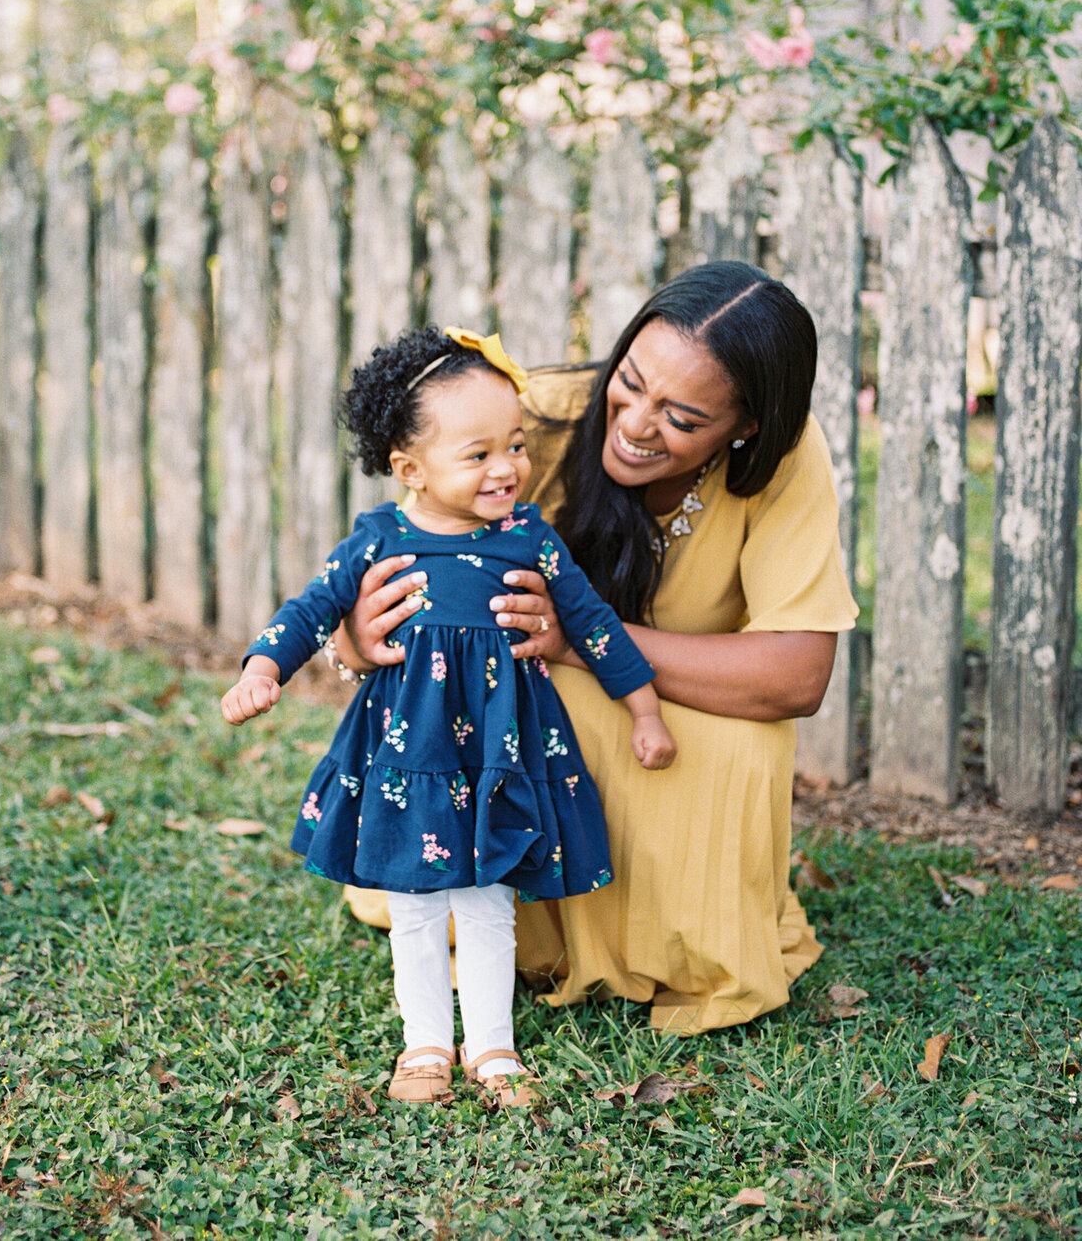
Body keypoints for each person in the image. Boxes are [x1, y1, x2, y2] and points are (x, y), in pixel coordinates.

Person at [332, 263, 858, 1035]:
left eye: (681, 417)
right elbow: (397, 559)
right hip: (505, 707)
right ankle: (532, 931)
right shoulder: (525, 423)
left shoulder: (782, 456)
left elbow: (797, 676)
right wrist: (357, 638)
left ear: (745, 426)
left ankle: (681, 947)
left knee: (748, 745)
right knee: (521, 711)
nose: (637, 423)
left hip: (662, 707)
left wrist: (585, 645)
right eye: (631, 381)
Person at [221, 325, 669, 1105]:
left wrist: (645, 709)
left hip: (501, 748)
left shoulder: (529, 537)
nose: (508, 468)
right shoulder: (381, 538)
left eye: (517, 446)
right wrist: (265, 668)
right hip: (408, 750)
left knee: (490, 900)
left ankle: (492, 1049)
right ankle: (424, 1045)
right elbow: (314, 607)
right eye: (478, 454)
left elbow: (594, 623)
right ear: (409, 469)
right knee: (418, 905)